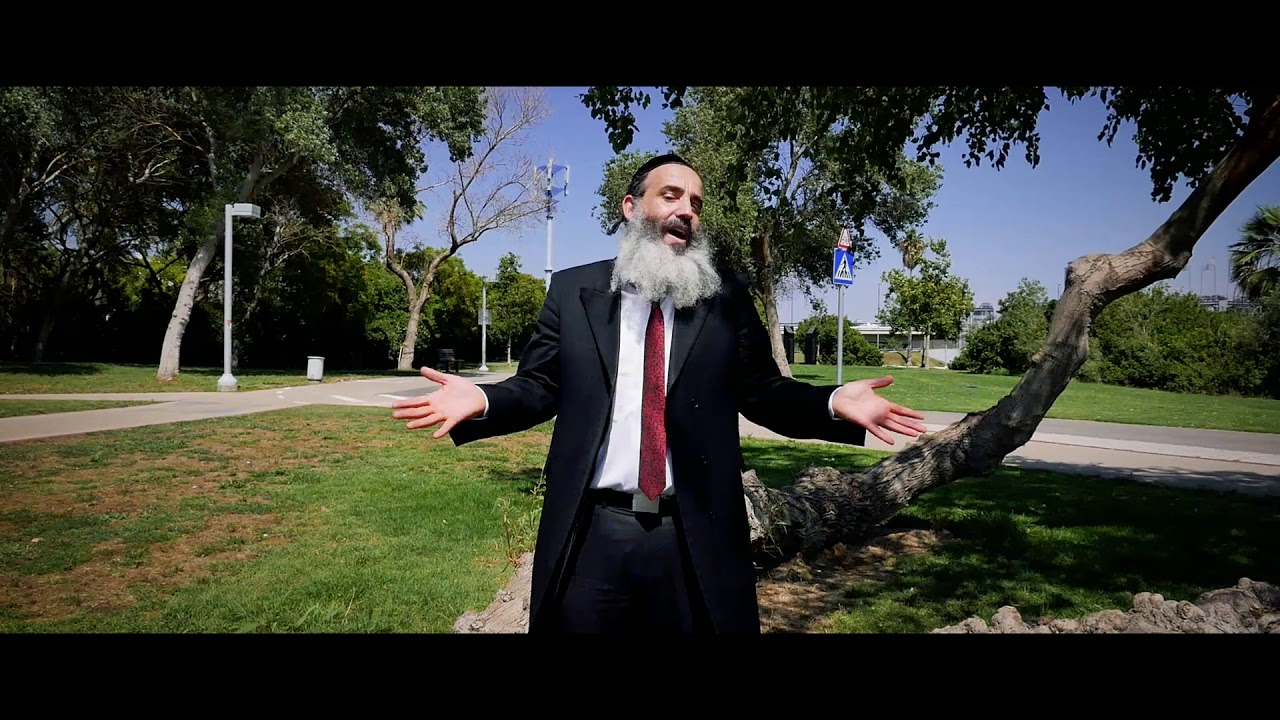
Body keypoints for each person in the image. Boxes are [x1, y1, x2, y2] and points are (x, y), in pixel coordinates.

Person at [391, 153, 927, 634]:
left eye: (696, 202)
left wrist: (832, 402)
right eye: (671, 196)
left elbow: (765, 394)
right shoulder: (573, 292)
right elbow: (539, 386)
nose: (687, 210)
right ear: (631, 207)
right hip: (592, 533)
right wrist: (484, 400)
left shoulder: (726, 299)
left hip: (694, 536)